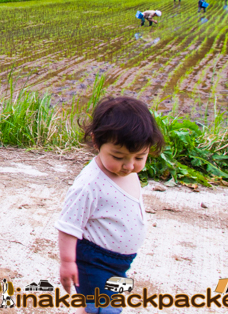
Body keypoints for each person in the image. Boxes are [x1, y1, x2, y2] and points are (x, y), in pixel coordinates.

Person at [56, 97, 165, 314]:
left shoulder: (127, 172)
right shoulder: (89, 185)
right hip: (95, 261)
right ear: (97, 142)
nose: (129, 165)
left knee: (92, 307)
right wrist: (67, 262)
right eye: (118, 156)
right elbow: (68, 225)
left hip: (119, 263)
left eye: (139, 157)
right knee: (104, 309)